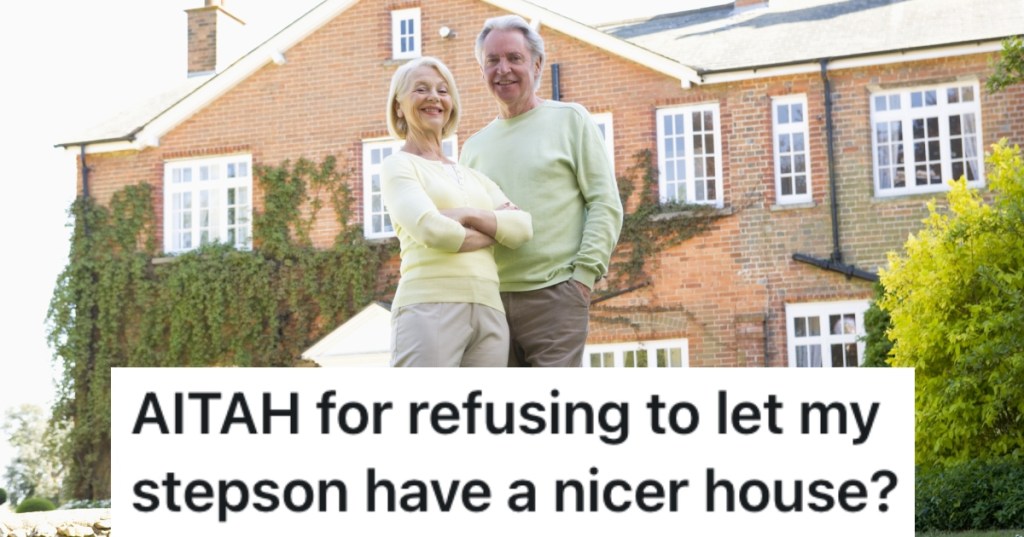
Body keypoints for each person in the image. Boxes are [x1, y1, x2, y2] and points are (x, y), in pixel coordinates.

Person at [460, 15, 624, 367]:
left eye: (514, 58)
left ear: (536, 65)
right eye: (492, 60)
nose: (503, 69)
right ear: (481, 69)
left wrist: (583, 279)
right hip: (491, 304)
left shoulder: (570, 120)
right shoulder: (473, 148)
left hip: (556, 298)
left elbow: (604, 202)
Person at [381, 56, 533, 367]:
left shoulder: (475, 176)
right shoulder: (398, 166)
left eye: (443, 90)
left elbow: (522, 229)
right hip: (428, 305)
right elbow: (433, 230)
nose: (434, 97)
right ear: (398, 106)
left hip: (489, 309)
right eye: (421, 89)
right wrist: (497, 231)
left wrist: (466, 215)